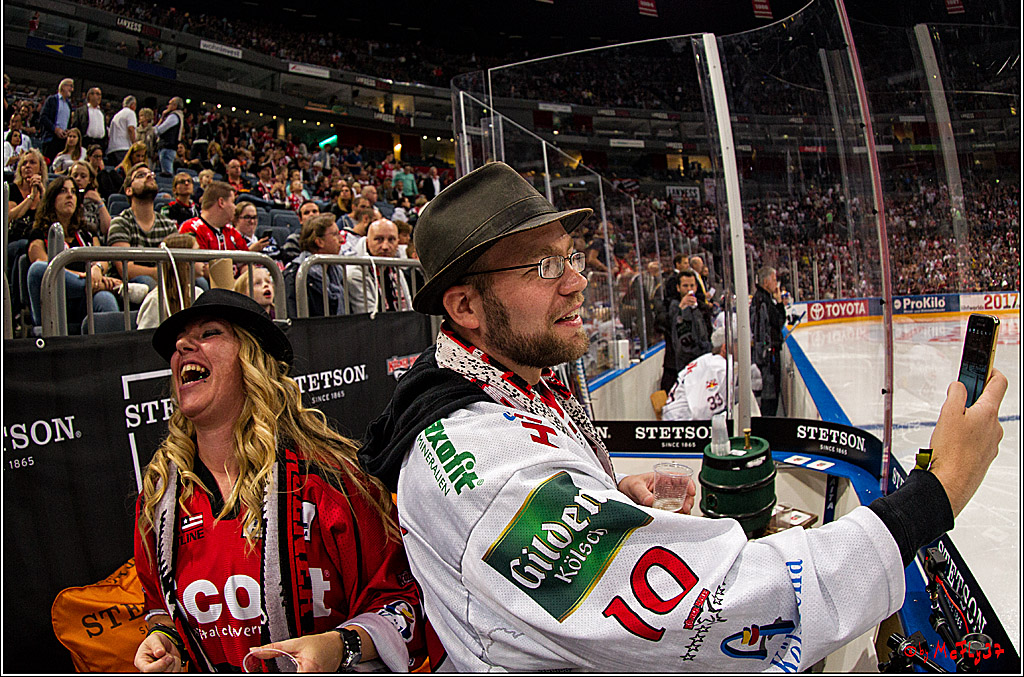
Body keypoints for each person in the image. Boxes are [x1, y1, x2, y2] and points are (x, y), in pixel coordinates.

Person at [357, 161, 1008, 671]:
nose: (578, 280)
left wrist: (603, 496)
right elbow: (713, 605)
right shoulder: (489, 474)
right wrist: (938, 490)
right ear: (466, 306)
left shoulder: (486, 382)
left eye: (571, 256)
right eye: (544, 264)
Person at [134, 289, 425, 672]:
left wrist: (340, 646)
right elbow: (160, 605)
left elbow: (403, 604)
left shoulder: (329, 479)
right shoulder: (161, 498)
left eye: (210, 333)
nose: (183, 345)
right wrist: (165, 639)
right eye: (181, 342)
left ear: (253, 360)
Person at [25, 176, 121, 326]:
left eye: (73, 192)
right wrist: (91, 279)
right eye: (63, 191)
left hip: (84, 301)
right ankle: (97, 286)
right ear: (52, 199)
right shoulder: (39, 233)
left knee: (104, 297)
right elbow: (44, 268)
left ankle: (112, 348)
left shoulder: (86, 232)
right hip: (54, 303)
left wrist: (97, 268)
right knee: (38, 269)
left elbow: (102, 258)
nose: (70, 195)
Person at [106, 162, 178, 290]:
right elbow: (126, 270)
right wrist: (162, 273)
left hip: (164, 283)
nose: (149, 177)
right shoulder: (120, 223)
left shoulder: (168, 226)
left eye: (151, 174)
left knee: (198, 282)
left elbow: (178, 264)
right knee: (145, 281)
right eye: (141, 175)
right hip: (129, 290)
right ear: (129, 190)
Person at [661, 326, 749, 421]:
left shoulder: (708, 359)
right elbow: (700, 412)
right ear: (725, 348)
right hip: (680, 421)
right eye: (737, 345)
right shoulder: (719, 367)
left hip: (677, 416)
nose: (741, 349)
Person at [283, 213, 345, 319]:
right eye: (335, 234)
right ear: (319, 242)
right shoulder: (296, 275)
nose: (341, 240)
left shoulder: (338, 271)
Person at [344, 219, 412, 314]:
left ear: (398, 243)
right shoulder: (356, 273)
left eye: (391, 239)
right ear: (367, 242)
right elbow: (368, 317)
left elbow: (409, 310)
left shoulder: (397, 271)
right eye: (378, 239)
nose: (385, 246)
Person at [136, 232, 203, 329]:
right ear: (183, 263)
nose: (203, 259)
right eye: (197, 253)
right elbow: (144, 340)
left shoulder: (198, 293)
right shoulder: (156, 300)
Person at [750, 265, 786, 416]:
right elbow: (777, 322)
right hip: (767, 356)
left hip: (766, 353)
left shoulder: (762, 299)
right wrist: (780, 303)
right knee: (770, 395)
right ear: (765, 282)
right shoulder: (763, 301)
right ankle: (767, 425)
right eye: (774, 280)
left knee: (770, 393)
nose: (776, 283)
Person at [668, 269, 712, 372]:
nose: (689, 289)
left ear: (696, 287)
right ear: (678, 288)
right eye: (685, 286)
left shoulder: (702, 308)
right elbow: (668, 326)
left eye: (692, 286)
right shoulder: (672, 306)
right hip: (682, 363)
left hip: (703, 359)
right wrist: (680, 309)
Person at [7, 148, 48, 241]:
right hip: (15, 238)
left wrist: (42, 192)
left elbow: (51, 216)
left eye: (32, 162)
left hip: (37, 238)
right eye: (24, 164)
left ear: (40, 169)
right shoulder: (12, 189)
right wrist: (32, 196)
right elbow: (10, 217)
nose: (27, 166)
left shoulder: (45, 192)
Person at [68, 160, 113, 238]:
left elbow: (107, 230)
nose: (78, 179)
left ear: (90, 180)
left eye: (83, 176)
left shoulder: (95, 201)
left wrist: (99, 201)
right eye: (75, 176)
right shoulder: (65, 198)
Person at [37, 78, 74, 161]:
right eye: (70, 86)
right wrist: (55, 129)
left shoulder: (69, 105)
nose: (72, 89)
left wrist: (67, 131)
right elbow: (43, 117)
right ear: (63, 87)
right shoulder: (52, 100)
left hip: (63, 141)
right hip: (51, 139)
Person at [69, 86, 107, 152]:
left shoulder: (102, 113)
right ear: (90, 95)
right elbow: (75, 128)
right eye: (97, 94)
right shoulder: (80, 111)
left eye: (100, 95)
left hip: (99, 144)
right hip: (85, 142)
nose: (99, 97)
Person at [153, 96, 184, 175]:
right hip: (168, 147)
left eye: (169, 104)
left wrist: (161, 120)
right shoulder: (179, 115)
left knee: (167, 174)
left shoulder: (173, 116)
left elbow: (159, 130)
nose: (167, 106)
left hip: (167, 147)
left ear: (175, 106)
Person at [106, 95, 137, 166]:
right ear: (133, 105)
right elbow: (131, 129)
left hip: (112, 149)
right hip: (123, 148)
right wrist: (134, 144)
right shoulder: (130, 113)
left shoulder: (117, 115)